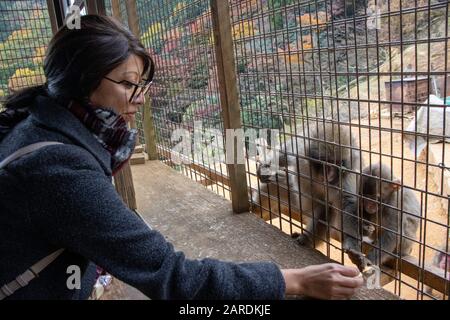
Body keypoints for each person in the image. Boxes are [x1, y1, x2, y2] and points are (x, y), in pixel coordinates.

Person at [0, 15, 363, 300]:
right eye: (128, 84)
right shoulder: (58, 168)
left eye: (142, 86)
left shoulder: (37, 127)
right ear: (80, 81)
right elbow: (174, 279)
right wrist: (294, 279)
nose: (140, 99)